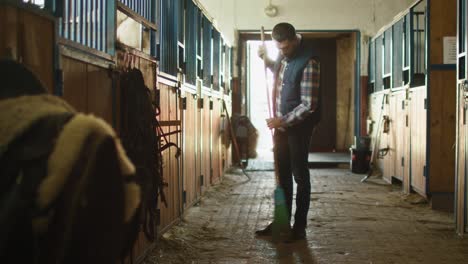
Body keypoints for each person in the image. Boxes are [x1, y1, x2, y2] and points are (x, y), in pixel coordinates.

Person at [255, 23, 321, 241]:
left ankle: (299, 227)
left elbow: (308, 104)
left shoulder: (309, 61)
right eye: (278, 49)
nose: (282, 52)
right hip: (281, 127)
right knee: (281, 176)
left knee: (300, 176)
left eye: (285, 48)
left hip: (299, 129)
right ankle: (281, 222)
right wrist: (267, 61)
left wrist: (281, 120)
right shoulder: (284, 56)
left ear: (294, 40)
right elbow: (282, 75)